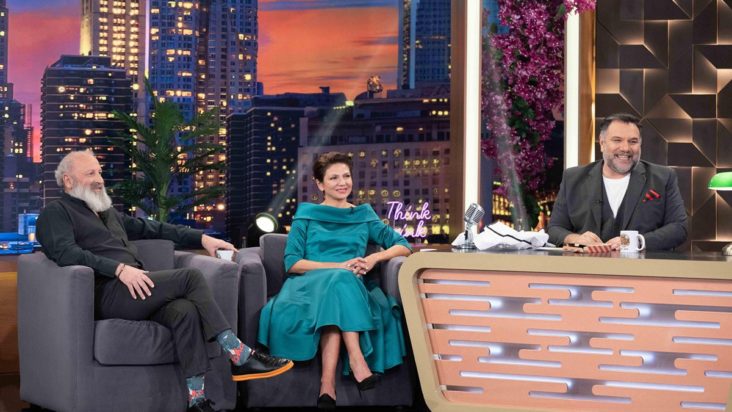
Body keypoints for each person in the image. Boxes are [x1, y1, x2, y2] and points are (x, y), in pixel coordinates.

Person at [36, 150, 293, 412]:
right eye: (90, 173)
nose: (100, 179)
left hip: (137, 289)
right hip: (106, 292)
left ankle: (197, 399)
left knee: (184, 310)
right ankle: (238, 354)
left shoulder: (106, 213)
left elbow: (154, 228)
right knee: (190, 277)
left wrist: (203, 239)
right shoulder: (56, 213)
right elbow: (66, 253)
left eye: (100, 172)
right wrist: (119, 269)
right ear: (68, 180)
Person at [257, 152, 412, 409]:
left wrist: (374, 258)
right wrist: (339, 266)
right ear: (320, 184)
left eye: (346, 176)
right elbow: (292, 263)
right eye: (334, 178)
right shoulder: (306, 214)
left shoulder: (364, 215)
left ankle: (327, 387)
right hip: (308, 284)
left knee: (339, 288)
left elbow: (403, 245)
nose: (342, 183)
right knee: (340, 280)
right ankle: (357, 360)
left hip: (350, 286)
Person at [547, 113, 688, 251]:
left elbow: (679, 228)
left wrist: (635, 241)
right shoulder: (573, 178)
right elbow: (554, 229)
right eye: (617, 140)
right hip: (588, 264)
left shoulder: (663, 178)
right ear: (602, 143)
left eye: (633, 141)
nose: (625, 148)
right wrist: (575, 239)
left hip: (643, 265)